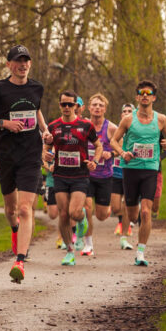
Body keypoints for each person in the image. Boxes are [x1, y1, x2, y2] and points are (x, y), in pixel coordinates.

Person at [0, 44, 51, 284]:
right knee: (11, 210)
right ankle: (15, 231)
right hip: (5, 155)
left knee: (26, 208)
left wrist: (45, 131)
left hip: (30, 155)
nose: (22, 65)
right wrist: (3, 123)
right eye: (17, 61)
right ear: (9, 65)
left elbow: (36, 110)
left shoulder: (37, 87)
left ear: (30, 64)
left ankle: (20, 261)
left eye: (26, 60)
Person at [109, 80, 166, 266]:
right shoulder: (128, 120)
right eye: (141, 92)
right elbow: (114, 141)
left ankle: (140, 252)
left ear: (154, 97)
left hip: (150, 169)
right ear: (137, 96)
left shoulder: (161, 119)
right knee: (132, 213)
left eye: (149, 93)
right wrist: (123, 153)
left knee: (146, 212)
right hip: (130, 169)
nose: (145, 95)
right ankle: (132, 227)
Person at [45, 90, 102, 266]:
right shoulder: (53, 126)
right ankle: (69, 251)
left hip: (80, 175)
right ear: (60, 105)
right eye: (64, 104)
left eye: (71, 104)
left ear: (76, 106)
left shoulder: (86, 126)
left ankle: (82, 219)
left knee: (74, 212)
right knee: (63, 214)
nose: (67, 107)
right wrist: (46, 160)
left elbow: (98, 146)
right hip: (60, 175)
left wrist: (95, 161)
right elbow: (45, 149)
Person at [80, 93, 118, 256]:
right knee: (87, 208)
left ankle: (106, 208)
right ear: (89, 108)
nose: (97, 108)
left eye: (100, 105)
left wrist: (112, 154)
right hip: (85, 175)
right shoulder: (82, 125)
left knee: (101, 216)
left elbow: (120, 147)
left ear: (105, 109)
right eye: (94, 105)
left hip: (104, 176)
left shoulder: (111, 128)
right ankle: (88, 244)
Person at [111, 104, 136, 246]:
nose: (126, 113)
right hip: (115, 172)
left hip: (130, 171)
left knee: (127, 204)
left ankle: (124, 237)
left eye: (129, 111)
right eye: (124, 111)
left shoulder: (137, 130)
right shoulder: (115, 130)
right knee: (115, 207)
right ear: (121, 115)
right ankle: (121, 222)